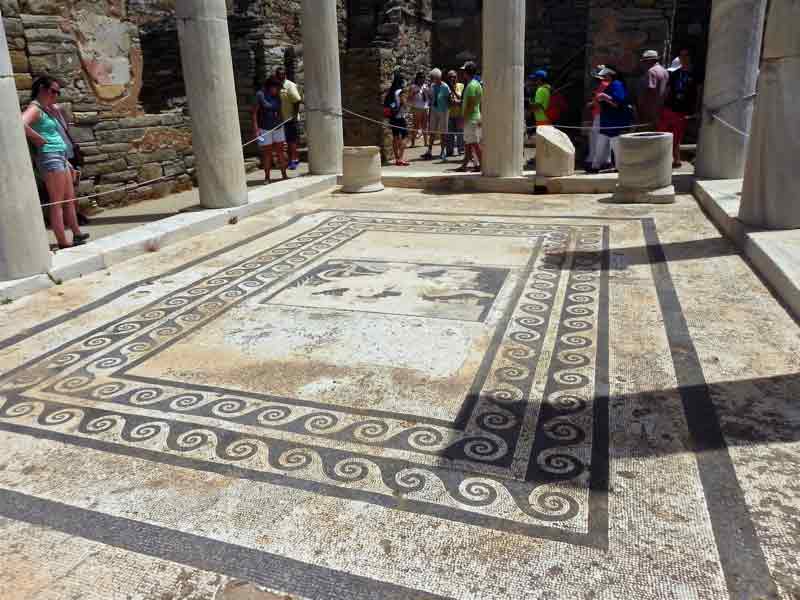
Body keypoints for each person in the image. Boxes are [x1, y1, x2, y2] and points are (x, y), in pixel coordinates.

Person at [23, 76, 88, 250]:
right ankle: (62, 240)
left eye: (58, 92)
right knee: (56, 201)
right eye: (53, 91)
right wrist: (37, 138)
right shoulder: (34, 108)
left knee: (69, 198)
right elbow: (21, 123)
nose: (56, 95)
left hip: (60, 155)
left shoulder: (45, 109)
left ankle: (76, 234)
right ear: (42, 89)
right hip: (49, 156)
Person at [659, 49, 700, 168]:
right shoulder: (675, 74)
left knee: (677, 137)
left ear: (690, 57)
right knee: (663, 133)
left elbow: (699, 92)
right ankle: (664, 159)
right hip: (669, 108)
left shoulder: (696, 74)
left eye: (685, 55)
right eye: (680, 55)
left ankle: (676, 160)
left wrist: (697, 109)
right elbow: (668, 90)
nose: (683, 58)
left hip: (683, 111)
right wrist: (661, 106)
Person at [590, 66, 632, 173]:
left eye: (605, 75)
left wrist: (604, 97)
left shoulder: (617, 84)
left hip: (614, 120)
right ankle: (595, 165)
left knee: (615, 143)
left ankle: (618, 166)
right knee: (601, 142)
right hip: (607, 119)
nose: (603, 77)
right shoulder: (612, 85)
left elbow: (618, 102)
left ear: (610, 75)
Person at [252, 78, 288, 184]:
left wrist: (283, 123)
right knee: (267, 153)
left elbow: (280, 110)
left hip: (278, 127)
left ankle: (284, 174)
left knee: (281, 151)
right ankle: (267, 177)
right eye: (276, 88)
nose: (277, 90)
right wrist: (256, 129)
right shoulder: (260, 95)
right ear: (270, 87)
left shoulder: (277, 95)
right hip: (264, 128)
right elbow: (254, 113)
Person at [456, 62, 482, 173]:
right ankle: (465, 164)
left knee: (474, 143)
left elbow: (470, 104)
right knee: (469, 143)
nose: (462, 73)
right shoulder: (476, 84)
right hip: (474, 117)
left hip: (471, 118)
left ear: (466, 72)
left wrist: (463, 119)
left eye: (463, 71)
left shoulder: (471, 85)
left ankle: (483, 164)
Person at [275, 67, 302, 170]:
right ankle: (292, 159)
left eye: (282, 74)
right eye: (278, 74)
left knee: (292, 141)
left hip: (291, 119)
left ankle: (293, 160)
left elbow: (297, 100)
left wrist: (294, 116)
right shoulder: (278, 86)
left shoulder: (289, 85)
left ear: (285, 75)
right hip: (282, 119)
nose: (280, 76)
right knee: (286, 141)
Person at [585, 65, 612, 170]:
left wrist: (591, 104)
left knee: (596, 139)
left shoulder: (603, 85)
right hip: (601, 115)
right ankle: (605, 161)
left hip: (600, 115)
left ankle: (594, 161)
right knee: (605, 140)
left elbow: (599, 100)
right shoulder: (606, 84)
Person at [422, 68, 450, 161]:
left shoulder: (445, 87)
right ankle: (429, 151)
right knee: (432, 130)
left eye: (432, 77)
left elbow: (449, 99)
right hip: (434, 110)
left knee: (443, 132)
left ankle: (443, 151)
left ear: (438, 77)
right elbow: (429, 97)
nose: (431, 79)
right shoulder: (432, 86)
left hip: (443, 111)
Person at [637, 50, 669, 128]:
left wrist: (640, 105)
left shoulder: (651, 71)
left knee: (647, 134)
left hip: (650, 111)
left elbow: (650, 89)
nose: (643, 64)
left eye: (644, 61)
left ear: (650, 61)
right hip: (661, 108)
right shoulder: (664, 71)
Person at [385, 73, 410, 166]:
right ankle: (400, 158)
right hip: (399, 117)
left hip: (392, 118)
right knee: (406, 136)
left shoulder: (391, 91)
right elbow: (403, 103)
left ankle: (396, 158)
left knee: (395, 137)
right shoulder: (400, 91)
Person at [445, 70, 464, 157]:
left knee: (460, 133)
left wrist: (456, 100)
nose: (452, 79)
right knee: (450, 134)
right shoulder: (445, 87)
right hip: (449, 114)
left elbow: (463, 100)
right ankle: (449, 151)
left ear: (457, 77)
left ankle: (461, 150)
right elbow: (445, 101)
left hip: (459, 114)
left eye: (454, 77)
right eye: (450, 77)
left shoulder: (461, 86)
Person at [408, 72, 429, 148]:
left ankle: (426, 142)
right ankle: (413, 143)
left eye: (423, 78)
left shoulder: (425, 86)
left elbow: (428, 97)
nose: (422, 80)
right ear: (417, 79)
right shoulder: (413, 87)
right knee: (415, 126)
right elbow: (409, 98)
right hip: (417, 108)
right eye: (421, 78)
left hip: (425, 107)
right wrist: (414, 93)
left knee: (425, 126)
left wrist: (427, 93)